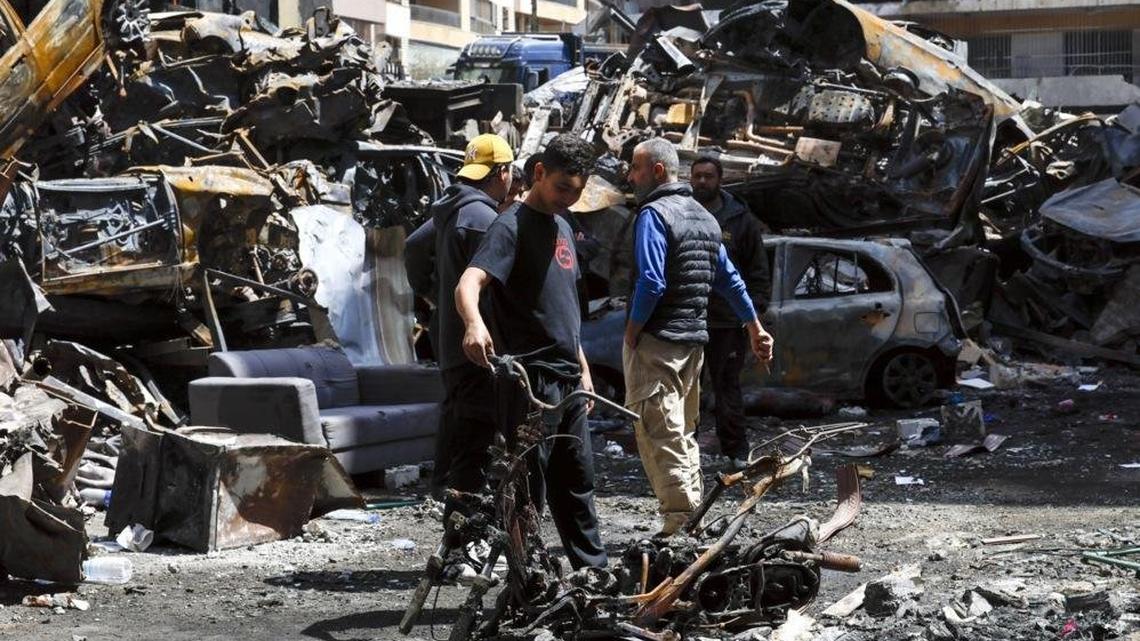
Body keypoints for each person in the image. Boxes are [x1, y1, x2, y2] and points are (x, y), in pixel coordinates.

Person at [454, 134, 607, 570]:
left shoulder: (563, 225)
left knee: (577, 481)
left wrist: (582, 367)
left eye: (577, 192)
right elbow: (468, 283)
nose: (569, 199)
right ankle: (527, 583)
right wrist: (473, 323)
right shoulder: (509, 225)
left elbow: (565, 307)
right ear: (538, 173)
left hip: (568, 380)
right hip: (529, 381)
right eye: (562, 188)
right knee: (527, 491)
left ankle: (594, 577)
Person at [623, 137, 774, 537]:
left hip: (659, 341)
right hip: (694, 342)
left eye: (635, 168)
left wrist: (633, 330)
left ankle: (679, 523)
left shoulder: (654, 214)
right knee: (683, 430)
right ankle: (691, 514)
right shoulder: (706, 218)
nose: (630, 176)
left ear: (657, 171)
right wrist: (754, 326)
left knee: (661, 432)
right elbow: (732, 280)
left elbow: (651, 281)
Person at [403, 133, 514, 507]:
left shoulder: (449, 208)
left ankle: (444, 486)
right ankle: (463, 511)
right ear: (502, 173)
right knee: (476, 430)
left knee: (456, 414)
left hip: (447, 334)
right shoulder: (484, 218)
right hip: (477, 341)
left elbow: (412, 247)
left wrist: (431, 293)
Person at [689, 156, 772, 468]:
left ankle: (736, 452)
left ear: (719, 179)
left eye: (708, 176)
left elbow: (757, 269)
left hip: (726, 322)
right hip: (689, 318)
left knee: (727, 389)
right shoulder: (682, 212)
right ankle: (687, 453)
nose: (702, 182)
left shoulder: (739, 218)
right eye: (697, 176)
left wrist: (754, 312)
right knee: (687, 391)